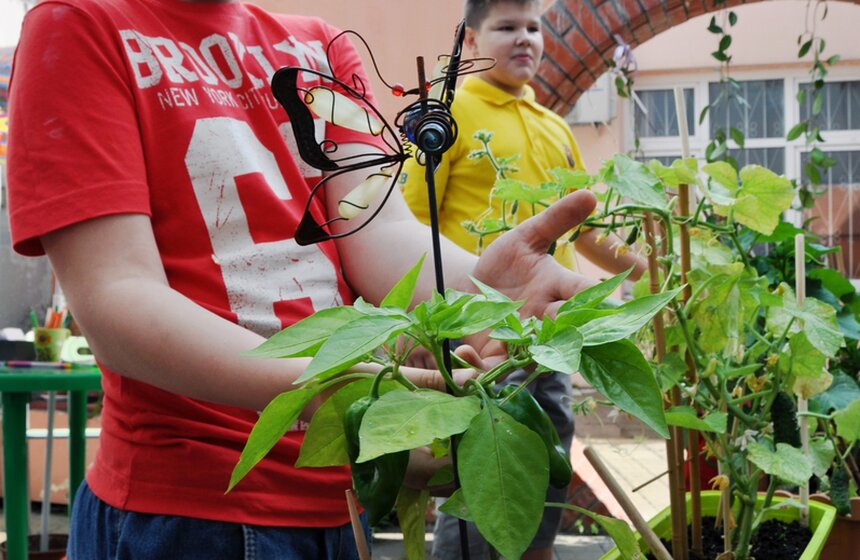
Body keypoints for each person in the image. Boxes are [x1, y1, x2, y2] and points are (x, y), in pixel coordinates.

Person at [6, 0, 600, 558]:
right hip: (188, 509)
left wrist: (481, 290)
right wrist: (334, 388)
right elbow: (116, 298)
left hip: (339, 498)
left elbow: (378, 228)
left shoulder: (319, 45)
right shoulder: (82, 25)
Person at [400, 1, 646, 558]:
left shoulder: (553, 124)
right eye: (507, 27)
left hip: (549, 331)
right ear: (469, 41)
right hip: (479, 330)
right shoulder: (448, 113)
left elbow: (584, 230)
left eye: (533, 28)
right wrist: (425, 320)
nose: (525, 39)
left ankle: (535, 552)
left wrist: (646, 269)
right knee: (481, 465)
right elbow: (413, 222)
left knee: (549, 444)